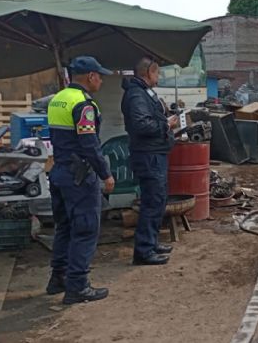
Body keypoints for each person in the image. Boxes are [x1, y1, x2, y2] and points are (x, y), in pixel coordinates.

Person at [46, 55, 115, 305]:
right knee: (85, 229)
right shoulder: (84, 104)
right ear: (91, 77)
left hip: (59, 172)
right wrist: (105, 174)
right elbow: (89, 145)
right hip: (79, 176)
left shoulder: (58, 99)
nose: (102, 81)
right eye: (100, 77)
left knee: (64, 227)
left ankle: (58, 278)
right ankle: (78, 286)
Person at [121, 57, 178, 266]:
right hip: (148, 155)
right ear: (149, 73)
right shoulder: (136, 94)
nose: (159, 77)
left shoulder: (144, 92)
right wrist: (166, 125)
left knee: (159, 199)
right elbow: (141, 125)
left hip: (155, 153)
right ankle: (143, 251)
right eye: (157, 73)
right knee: (152, 202)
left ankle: (151, 242)